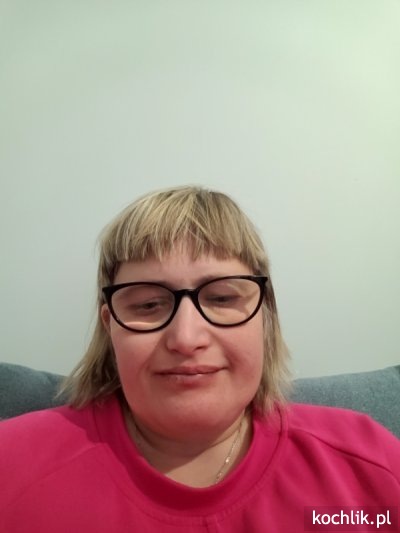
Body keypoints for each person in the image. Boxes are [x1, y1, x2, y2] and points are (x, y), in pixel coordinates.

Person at [0, 186, 399, 533]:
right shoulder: (11, 468)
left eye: (222, 298)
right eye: (148, 304)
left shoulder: (373, 467)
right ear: (111, 327)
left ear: (265, 317)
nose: (186, 339)